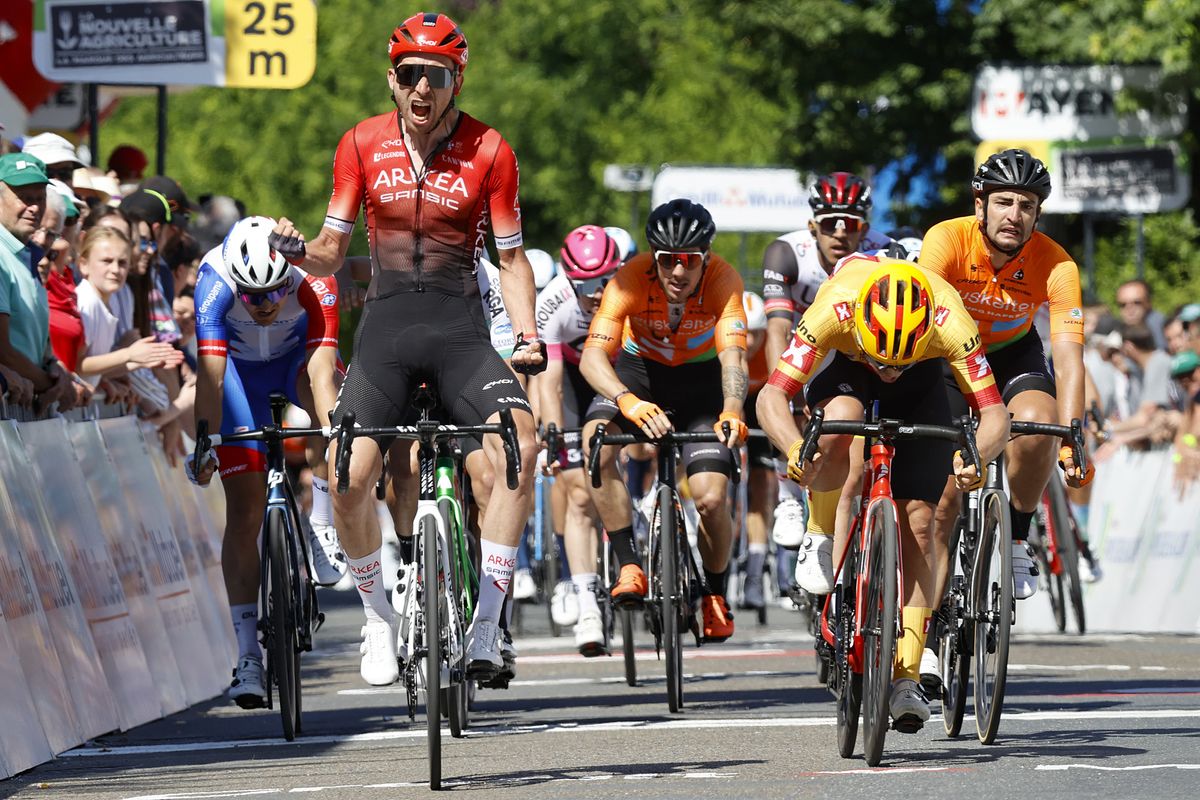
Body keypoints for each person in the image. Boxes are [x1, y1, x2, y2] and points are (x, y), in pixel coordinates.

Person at [266, 12, 543, 686]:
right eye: (410, 75)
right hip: (387, 332)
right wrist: (301, 251)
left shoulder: (490, 149)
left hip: (460, 333)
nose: (423, 88)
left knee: (522, 445)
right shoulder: (360, 144)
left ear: (456, 81)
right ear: (392, 80)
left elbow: (511, 261)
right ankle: (376, 617)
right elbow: (332, 253)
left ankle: (484, 629)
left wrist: (529, 334)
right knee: (345, 476)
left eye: (437, 76)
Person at [756, 254, 1011, 730]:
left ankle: (907, 675)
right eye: (882, 358)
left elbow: (995, 414)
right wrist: (794, 446)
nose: (888, 369)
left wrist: (979, 454)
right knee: (837, 429)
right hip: (847, 373)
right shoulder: (835, 307)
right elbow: (771, 395)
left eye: (898, 359)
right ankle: (820, 532)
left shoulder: (950, 319)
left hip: (924, 385)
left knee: (920, 520)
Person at [921, 148, 1093, 607]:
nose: (1014, 215)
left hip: (1012, 354)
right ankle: (927, 627)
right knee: (941, 505)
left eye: (1027, 206)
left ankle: (1018, 538)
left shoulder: (1057, 264)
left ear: (1037, 214)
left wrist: (1073, 435)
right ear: (980, 204)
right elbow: (924, 321)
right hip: (949, 357)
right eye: (1004, 202)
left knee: (1040, 422)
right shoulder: (946, 239)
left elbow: (1069, 357)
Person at [185, 216, 345, 708]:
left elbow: (321, 377)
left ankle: (320, 523)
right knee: (246, 509)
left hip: (296, 361)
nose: (266, 304)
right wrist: (205, 442)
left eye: (275, 292)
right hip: (237, 375)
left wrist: (332, 429)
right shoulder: (212, 282)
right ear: (235, 283)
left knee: (331, 420)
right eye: (252, 297)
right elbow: (210, 379)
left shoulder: (315, 281)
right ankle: (247, 655)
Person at [581, 199, 749, 643]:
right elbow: (594, 355)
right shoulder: (629, 278)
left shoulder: (723, 280)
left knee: (712, 500)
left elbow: (733, 353)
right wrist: (627, 401)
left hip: (701, 383)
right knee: (594, 441)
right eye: (667, 260)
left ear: (705, 258)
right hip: (640, 375)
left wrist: (732, 407)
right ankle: (629, 563)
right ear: (653, 259)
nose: (678, 271)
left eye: (688, 261)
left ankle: (715, 594)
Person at [761, 172, 894, 557]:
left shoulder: (883, 252)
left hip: (850, 347)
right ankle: (787, 493)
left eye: (850, 224)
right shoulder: (786, 253)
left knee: (852, 449)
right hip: (803, 345)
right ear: (811, 225)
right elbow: (777, 331)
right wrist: (785, 396)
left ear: (865, 228)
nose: (840, 233)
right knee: (781, 402)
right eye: (829, 224)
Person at [536, 224, 621, 654]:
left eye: (602, 282)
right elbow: (549, 382)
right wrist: (553, 435)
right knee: (578, 493)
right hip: (571, 379)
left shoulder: (629, 293)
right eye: (583, 283)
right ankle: (587, 598)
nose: (593, 292)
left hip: (617, 373)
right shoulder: (552, 301)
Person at [0, 153, 74, 413]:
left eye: (39, 198)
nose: (33, 207)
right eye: (23, 197)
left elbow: (35, 342)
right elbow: (3, 349)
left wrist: (53, 366)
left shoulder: (25, 256)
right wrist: (50, 385)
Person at [739, 290, 775, 610]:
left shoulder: (770, 352)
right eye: (742, 333)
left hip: (760, 402)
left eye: (756, 334)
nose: (749, 342)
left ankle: (755, 569)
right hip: (726, 400)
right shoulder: (720, 347)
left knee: (761, 482)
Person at [1116, 279, 1167, 352]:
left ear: (1148, 303)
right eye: (1123, 305)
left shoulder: (1160, 326)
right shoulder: (1120, 327)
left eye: (1137, 303)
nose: (1130, 310)